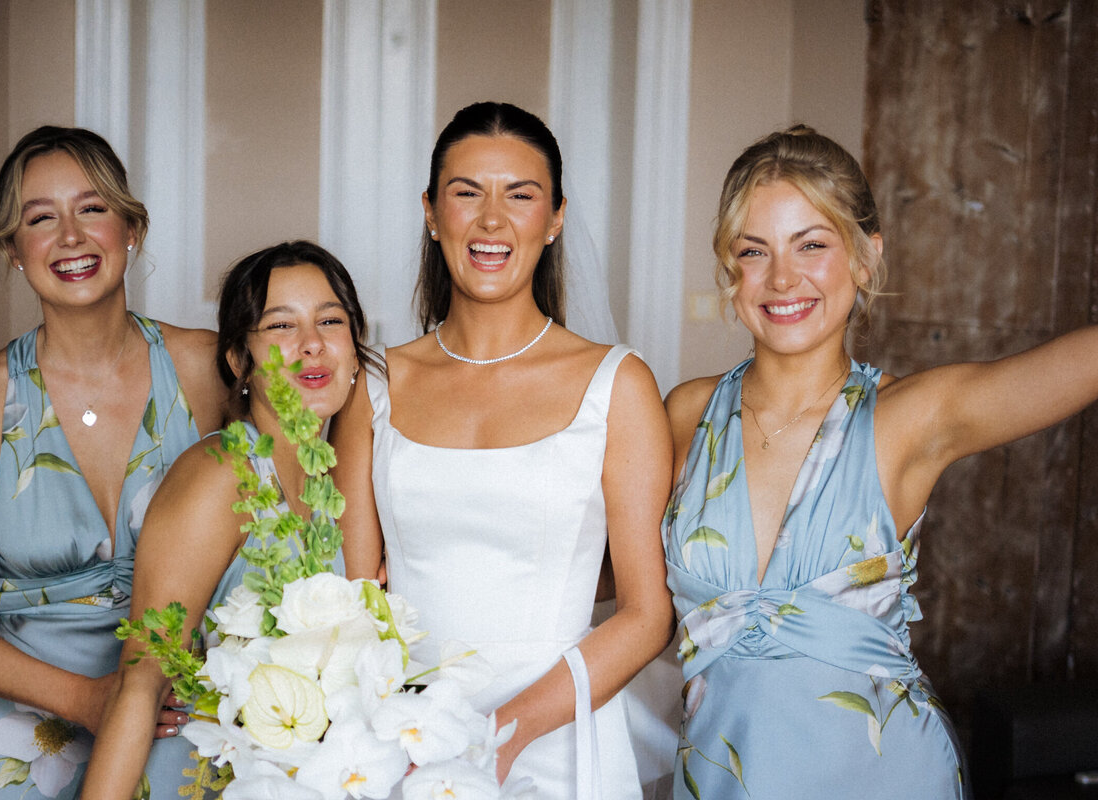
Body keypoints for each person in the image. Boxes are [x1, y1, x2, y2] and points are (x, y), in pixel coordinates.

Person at [663, 124, 1098, 799]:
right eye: (755, 251)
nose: (782, 277)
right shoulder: (686, 414)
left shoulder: (905, 419)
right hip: (723, 778)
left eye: (812, 245)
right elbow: (612, 583)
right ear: (731, 269)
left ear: (866, 258)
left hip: (882, 777)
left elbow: (1076, 365)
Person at [332, 101, 676, 797]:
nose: (492, 221)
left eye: (520, 196)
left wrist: (500, 740)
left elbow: (646, 615)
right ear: (431, 213)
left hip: (557, 734)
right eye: (467, 194)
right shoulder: (374, 385)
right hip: (404, 735)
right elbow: (356, 591)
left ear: (554, 219)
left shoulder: (618, 384)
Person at [0, 126, 224, 799]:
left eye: (92, 209)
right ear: (14, 251)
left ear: (130, 229)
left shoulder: (204, 367)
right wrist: (85, 700)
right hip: (21, 706)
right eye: (40, 219)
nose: (71, 237)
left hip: (176, 696)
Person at [78, 240, 375, 799]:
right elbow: (140, 680)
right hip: (192, 779)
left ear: (355, 348)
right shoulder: (222, 474)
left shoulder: (335, 487)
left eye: (330, 321)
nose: (312, 344)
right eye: (281, 327)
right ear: (240, 360)